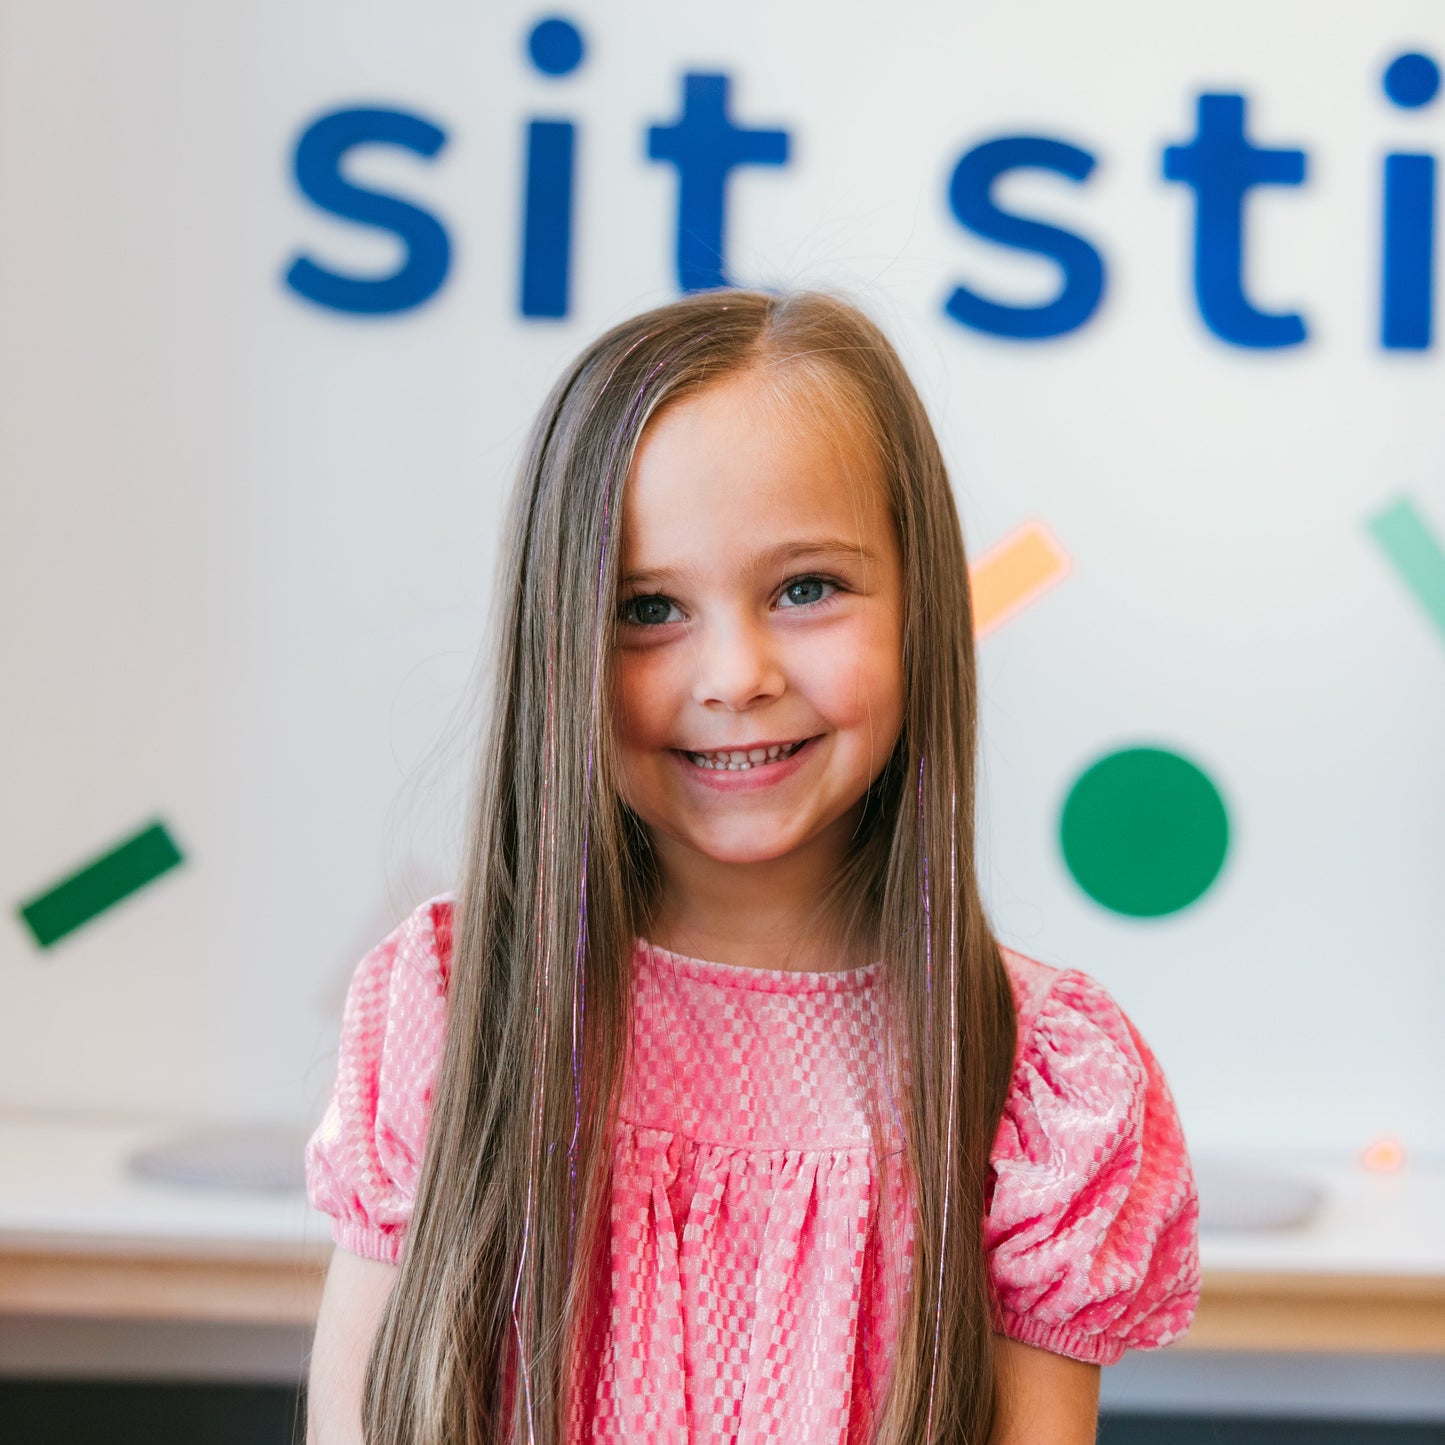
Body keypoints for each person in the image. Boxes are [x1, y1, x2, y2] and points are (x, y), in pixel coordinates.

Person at [303, 288, 1200, 1445]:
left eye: (805, 588)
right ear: (557, 637)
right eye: (648, 607)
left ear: (919, 603)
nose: (734, 672)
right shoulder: (450, 1006)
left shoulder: (1040, 1083)